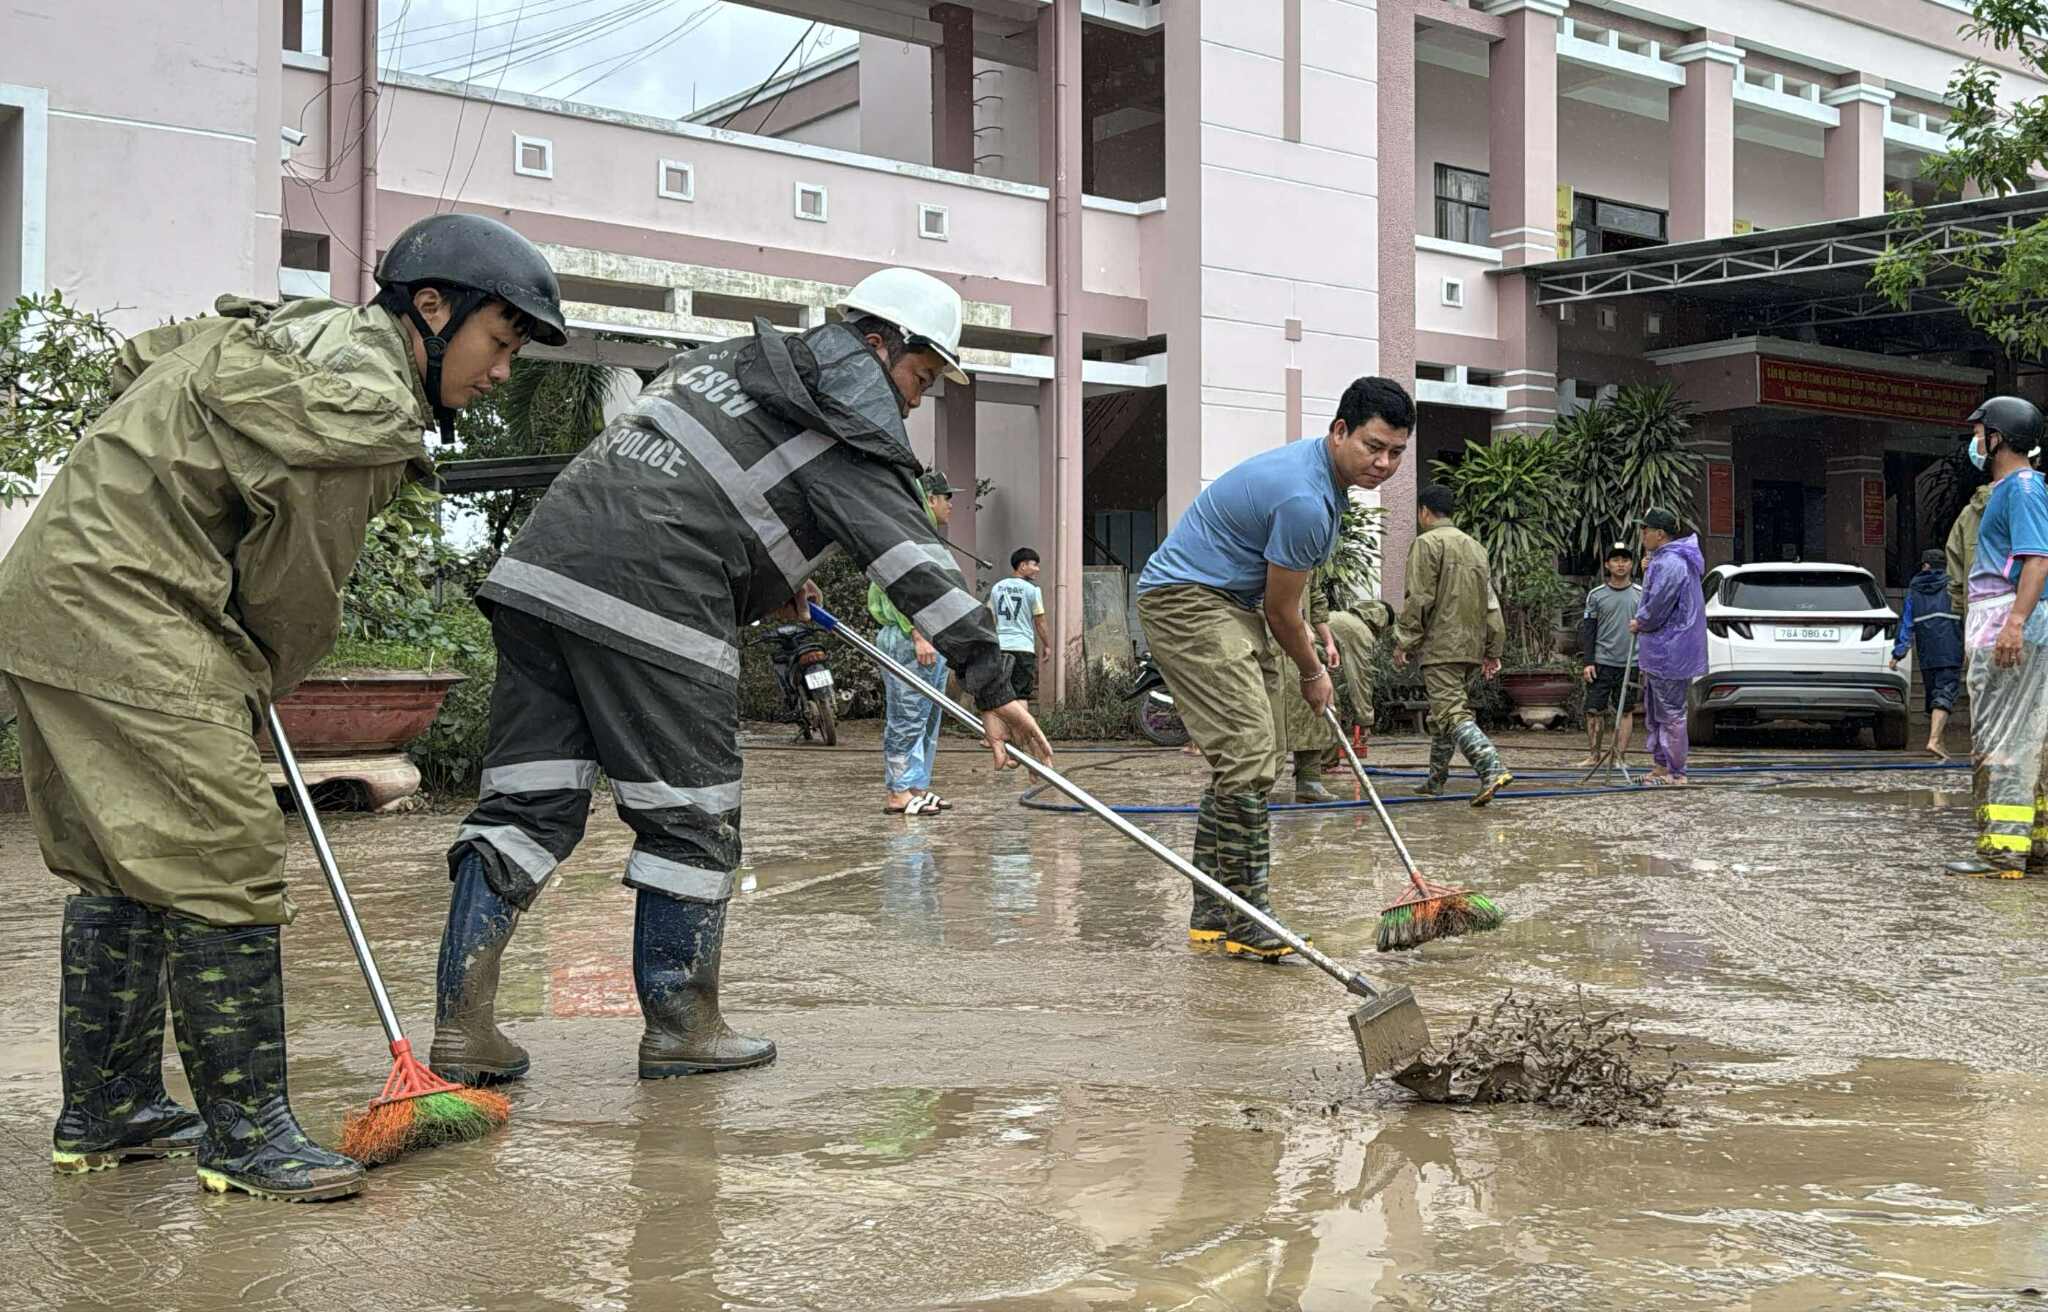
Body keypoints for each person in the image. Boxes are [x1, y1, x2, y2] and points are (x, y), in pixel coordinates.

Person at [0, 213, 566, 1202]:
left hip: (51, 594)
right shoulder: (357, 405)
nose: (500, 372)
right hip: (134, 607)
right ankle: (246, 1136)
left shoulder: (298, 336)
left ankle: (108, 1109)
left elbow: (138, 366)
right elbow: (292, 591)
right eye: (499, 343)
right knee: (227, 858)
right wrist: (256, 674)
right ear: (431, 309)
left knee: (118, 865)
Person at [431, 267, 1053, 1086]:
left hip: (540, 580)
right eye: (919, 376)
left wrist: (770, 571)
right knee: (692, 818)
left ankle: (462, 1029)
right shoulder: (840, 412)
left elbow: (704, 481)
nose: (913, 401)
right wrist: (995, 683)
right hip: (651, 600)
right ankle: (684, 1025)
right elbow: (913, 561)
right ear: (876, 345)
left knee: (526, 807)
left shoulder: (727, 363)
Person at [1136, 377, 1413, 959]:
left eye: (1396, 452)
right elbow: (1280, 607)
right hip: (1188, 600)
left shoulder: (1323, 480)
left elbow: (1287, 592)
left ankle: (1213, 910)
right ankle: (1248, 915)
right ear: (1339, 431)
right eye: (1373, 446)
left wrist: (1316, 638)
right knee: (1250, 752)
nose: (1383, 463)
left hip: (1231, 604)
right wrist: (1314, 673)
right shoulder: (1305, 498)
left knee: (1249, 754)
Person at [1946, 396, 2048, 877]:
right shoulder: (2015, 489)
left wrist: (2014, 623)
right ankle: (2034, 848)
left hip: (2007, 627)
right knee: (2029, 738)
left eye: (1981, 431)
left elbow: (2037, 560)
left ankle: (2001, 851)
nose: (1977, 440)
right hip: (2007, 624)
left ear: (1999, 437)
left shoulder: (2021, 489)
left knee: (2003, 740)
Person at [1393, 484, 1511, 805]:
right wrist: (1493, 650)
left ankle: (1491, 767)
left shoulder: (1426, 543)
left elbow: (1419, 598)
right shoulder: (1476, 547)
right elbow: (1491, 604)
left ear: (1424, 511)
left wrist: (1404, 640)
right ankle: (1435, 779)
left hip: (1441, 646)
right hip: (1471, 647)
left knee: (1451, 711)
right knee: (1443, 712)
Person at [877, 470, 963, 816]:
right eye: (947, 498)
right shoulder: (905, 535)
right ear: (930, 499)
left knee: (927, 719)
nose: (951, 505)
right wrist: (917, 632)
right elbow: (899, 590)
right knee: (907, 716)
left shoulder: (924, 536)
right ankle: (898, 791)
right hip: (911, 638)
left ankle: (916, 786)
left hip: (930, 638)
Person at [1629, 507, 1708, 786]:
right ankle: (1661, 767)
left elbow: (1659, 604)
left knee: (1671, 712)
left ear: (1659, 534)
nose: (1642, 536)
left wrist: (1641, 621)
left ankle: (1675, 772)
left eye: (1645, 530)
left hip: (1669, 650)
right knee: (1658, 709)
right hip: (1667, 650)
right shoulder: (1667, 560)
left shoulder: (1670, 563)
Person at [1891, 547, 1964, 760]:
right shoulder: (1953, 586)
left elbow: (1906, 623)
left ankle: (1938, 740)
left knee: (1934, 694)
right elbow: (1966, 614)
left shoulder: (1914, 591)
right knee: (1945, 693)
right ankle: (1934, 739)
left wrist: (1899, 652)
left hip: (1926, 653)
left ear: (1925, 566)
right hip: (1951, 648)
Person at [1579, 543, 1642, 768]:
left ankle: (1620, 757)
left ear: (1631, 564)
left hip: (1630, 663)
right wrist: (1588, 662)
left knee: (1625, 711)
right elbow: (1589, 629)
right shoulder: (1596, 596)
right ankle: (1594, 755)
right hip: (1601, 662)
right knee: (1594, 711)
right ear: (1607, 564)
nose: (1620, 564)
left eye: (1625, 560)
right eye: (1615, 560)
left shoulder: (1641, 595)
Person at [1280, 579, 1344, 802]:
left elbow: (1316, 600)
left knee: (1313, 712)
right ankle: (1254, 786)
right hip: (1271, 639)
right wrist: (1297, 623)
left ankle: (1309, 781)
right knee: (1268, 718)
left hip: (1303, 647)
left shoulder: (1310, 555)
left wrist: (1329, 642)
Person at [988, 547, 1050, 707]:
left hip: (1000, 647)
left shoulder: (997, 588)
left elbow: (990, 617)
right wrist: (1047, 644)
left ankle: (1003, 731)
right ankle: (1020, 732)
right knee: (1020, 694)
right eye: (1034, 564)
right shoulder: (1033, 590)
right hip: (1023, 648)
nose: (1037, 569)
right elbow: (1040, 621)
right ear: (1022, 566)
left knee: (999, 693)